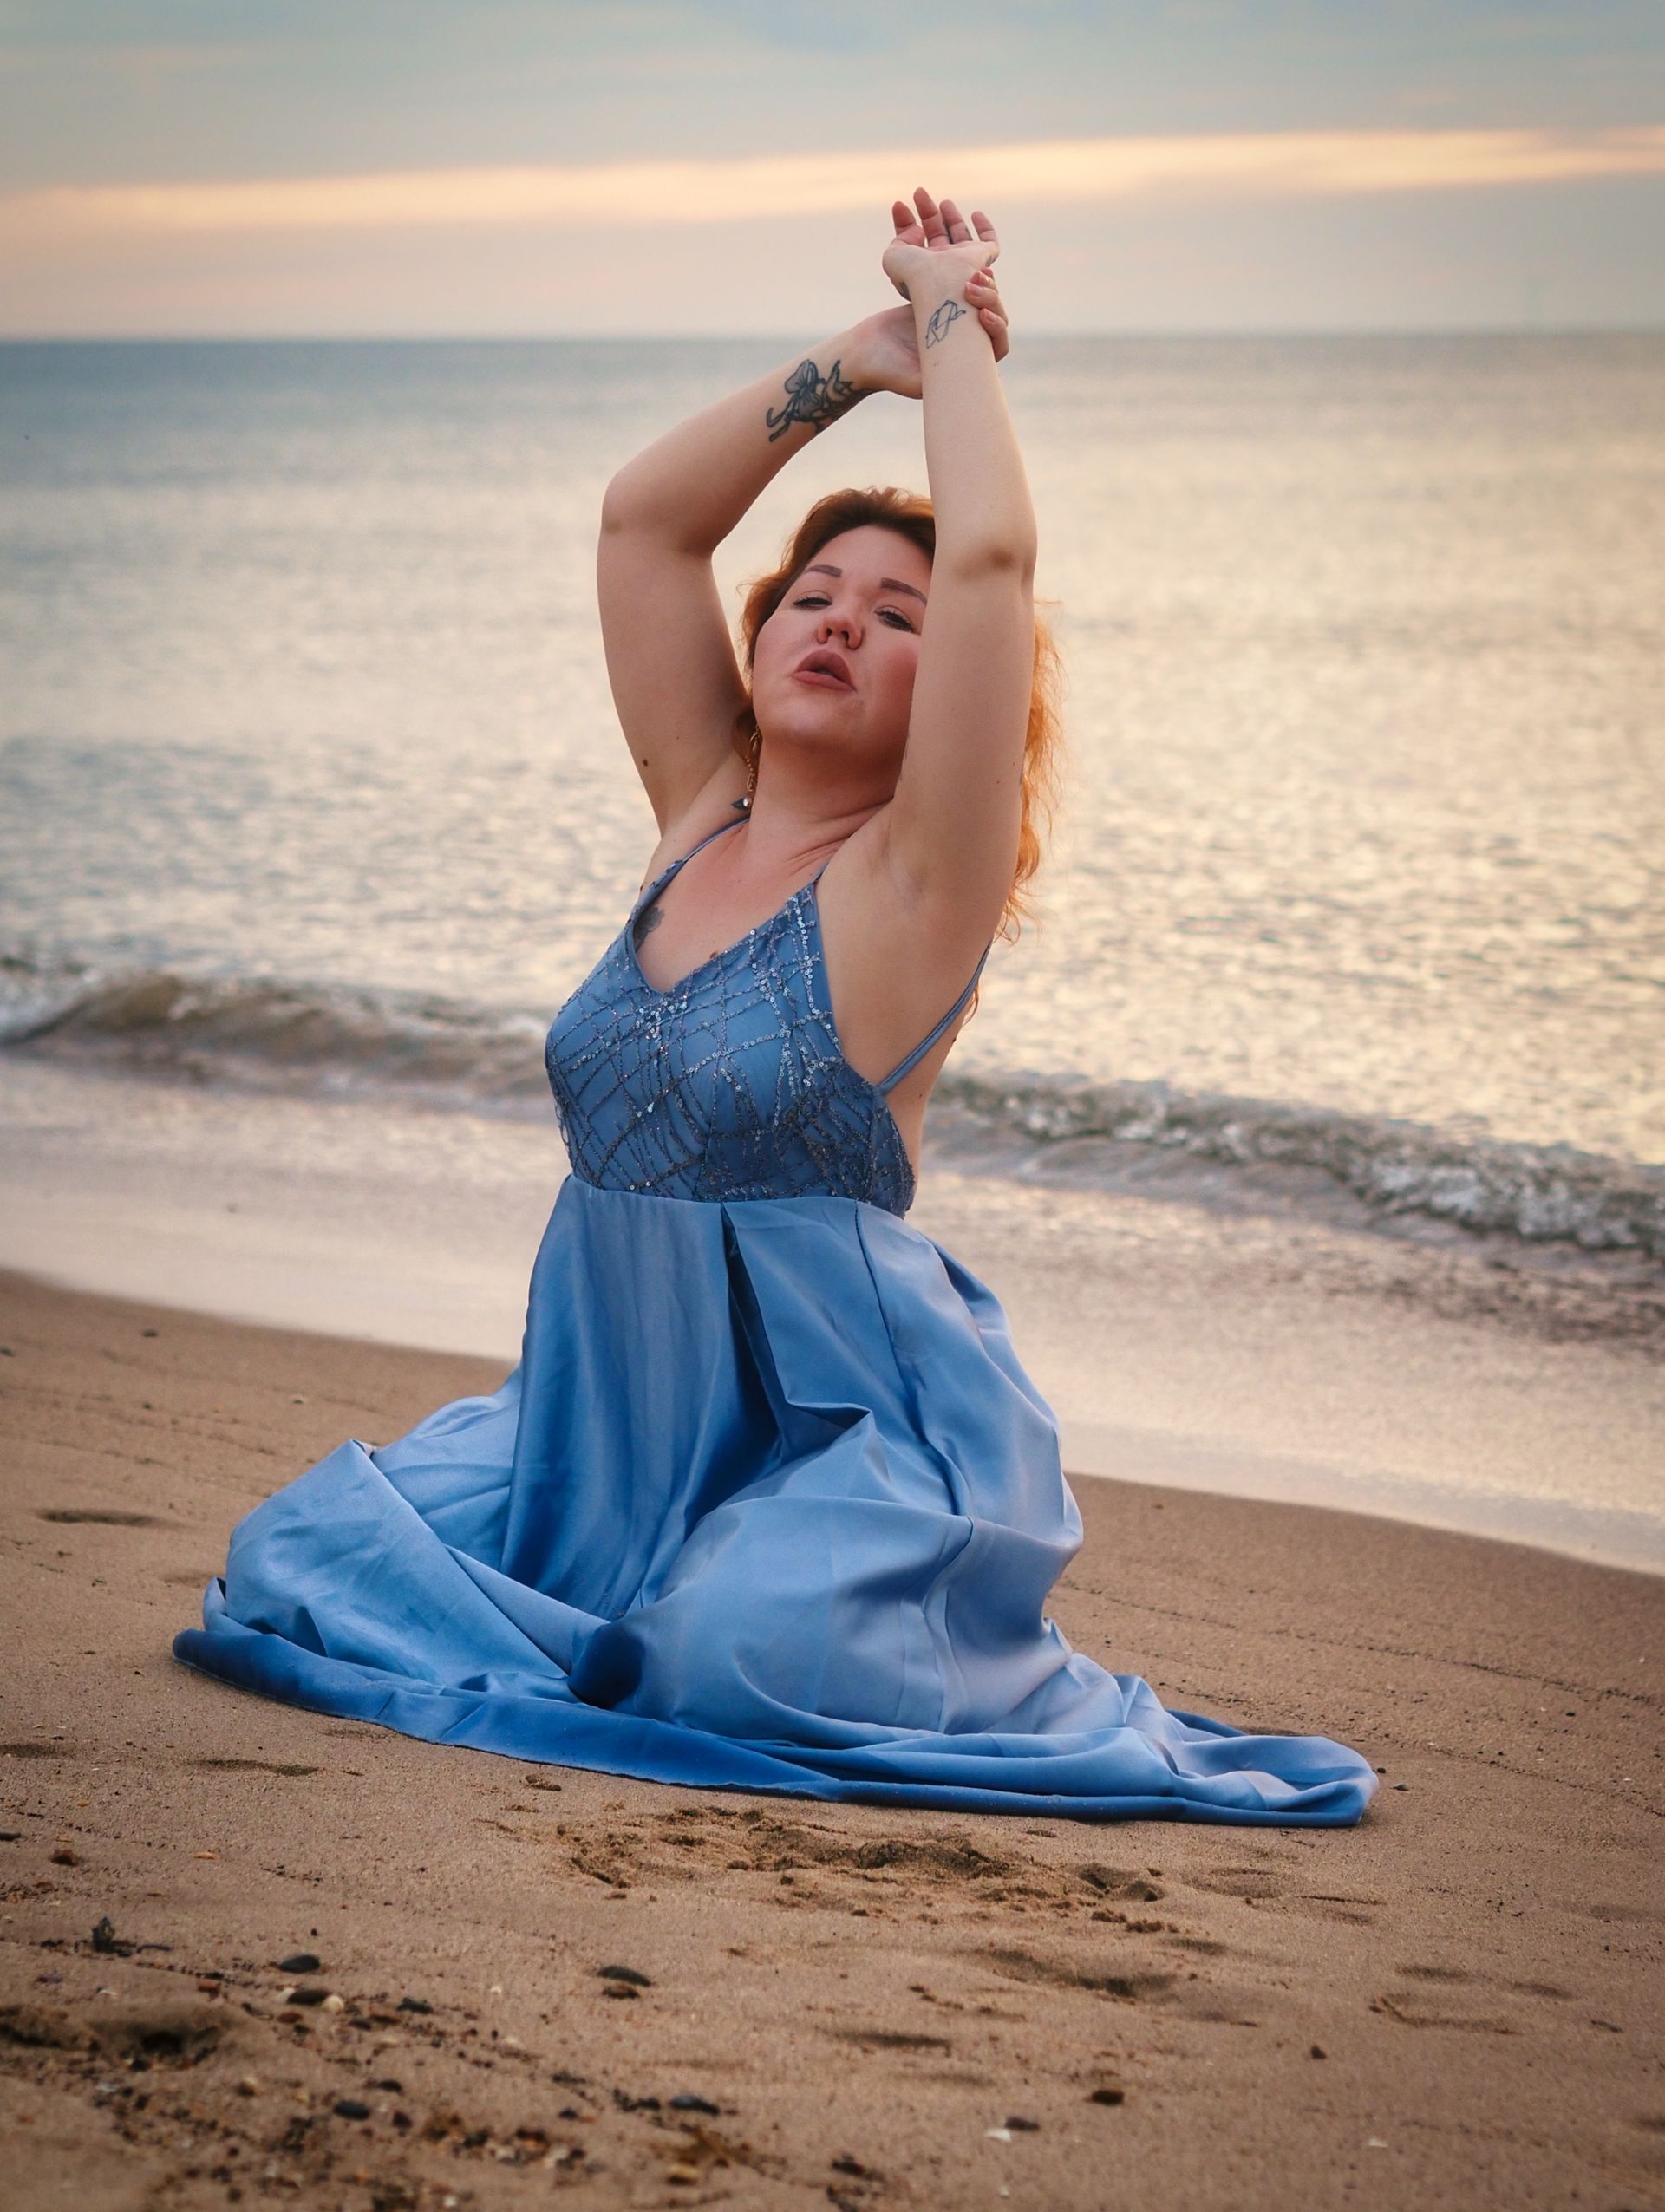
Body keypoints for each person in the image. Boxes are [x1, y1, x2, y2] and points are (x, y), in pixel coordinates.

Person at [173, 188, 1379, 1827]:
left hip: (849, 1448)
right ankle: (623, 1597)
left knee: (731, 1659)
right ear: (758, 641)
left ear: (943, 692)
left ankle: (761, 1608)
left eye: (898, 618)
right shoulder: (698, 819)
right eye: (815, 591)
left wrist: (950, 315)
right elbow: (641, 525)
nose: (842, 620)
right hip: (594, 1442)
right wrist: (857, 359)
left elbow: (1001, 556)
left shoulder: (914, 887)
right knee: (295, 1555)